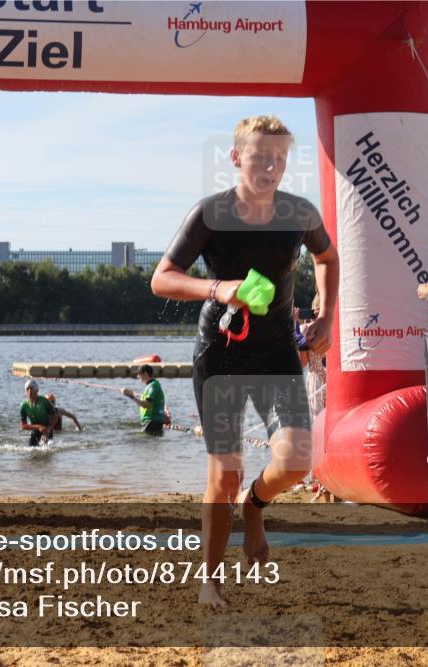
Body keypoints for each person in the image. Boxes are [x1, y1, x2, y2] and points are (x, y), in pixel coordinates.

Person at [151, 114, 339, 608]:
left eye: (279, 158)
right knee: (224, 471)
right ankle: (210, 583)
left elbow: (328, 258)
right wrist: (218, 287)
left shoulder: (298, 213)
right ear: (236, 157)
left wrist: (325, 315)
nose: (270, 166)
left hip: (277, 349)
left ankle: (255, 505)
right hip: (221, 352)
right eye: (260, 156)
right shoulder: (210, 213)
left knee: (298, 461)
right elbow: (162, 278)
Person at [122, 365, 166, 435]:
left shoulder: (153, 386)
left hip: (152, 421)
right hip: (153, 422)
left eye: (139, 374)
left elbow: (146, 404)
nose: (138, 377)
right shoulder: (152, 385)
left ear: (145, 374)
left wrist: (131, 396)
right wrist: (132, 394)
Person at [19, 379, 59, 447]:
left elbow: (55, 417)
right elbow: (23, 426)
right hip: (35, 429)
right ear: (25, 392)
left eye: (31, 388)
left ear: (37, 390)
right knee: (31, 450)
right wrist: (39, 427)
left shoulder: (45, 402)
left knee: (47, 451)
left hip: (48, 428)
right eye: (27, 389)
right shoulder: (23, 406)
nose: (29, 391)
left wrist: (48, 430)